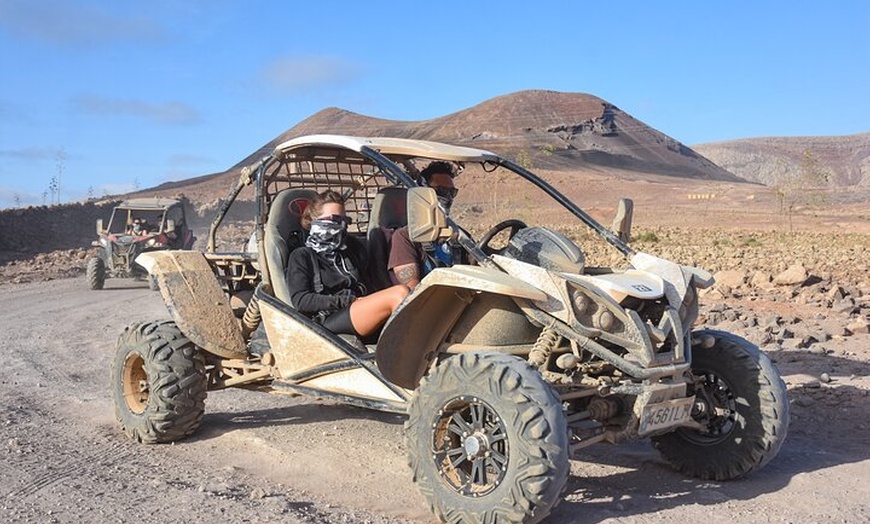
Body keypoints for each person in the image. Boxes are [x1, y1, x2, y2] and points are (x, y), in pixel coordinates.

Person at [286, 190, 409, 337]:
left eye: (345, 221)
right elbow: (301, 300)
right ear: (314, 219)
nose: (341, 226)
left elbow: (367, 282)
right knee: (399, 294)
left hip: (356, 309)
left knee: (412, 296)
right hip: (327, 318)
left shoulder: (351, 249)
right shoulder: (302, 256)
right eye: (334, 220)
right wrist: (346, 301)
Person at [388, 161, 460, 289]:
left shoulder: (456, 234)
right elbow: (412, 291)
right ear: (424, 194)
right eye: (441, 191)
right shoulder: (405, 237)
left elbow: (481, 266)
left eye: (452, 192)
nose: (448, 197)